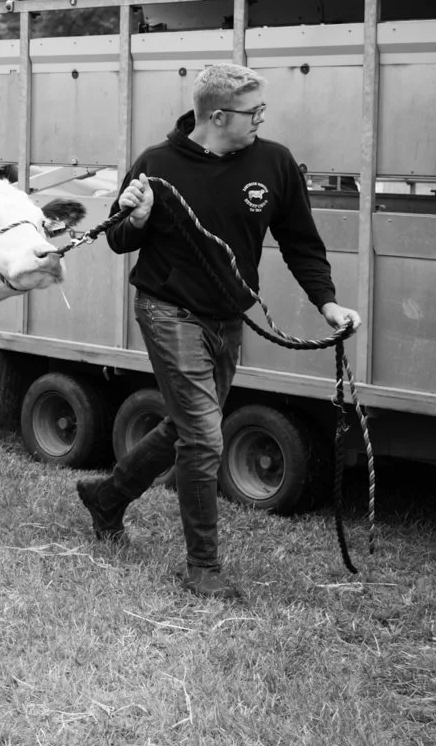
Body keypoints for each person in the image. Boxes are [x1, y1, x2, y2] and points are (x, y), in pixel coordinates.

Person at [75, 63, 360, 600]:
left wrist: (327, 302)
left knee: (188, 427)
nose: (261, 121)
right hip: (168, 309)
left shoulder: (273, 162)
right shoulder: (157, 165)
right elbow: (116, 238)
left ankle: (108, 497)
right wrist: (135, 219)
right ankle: (203, 568)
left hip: (227, 317)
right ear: (219, 115)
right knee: (205, 436)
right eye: (254, 112)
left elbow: (301, 241)